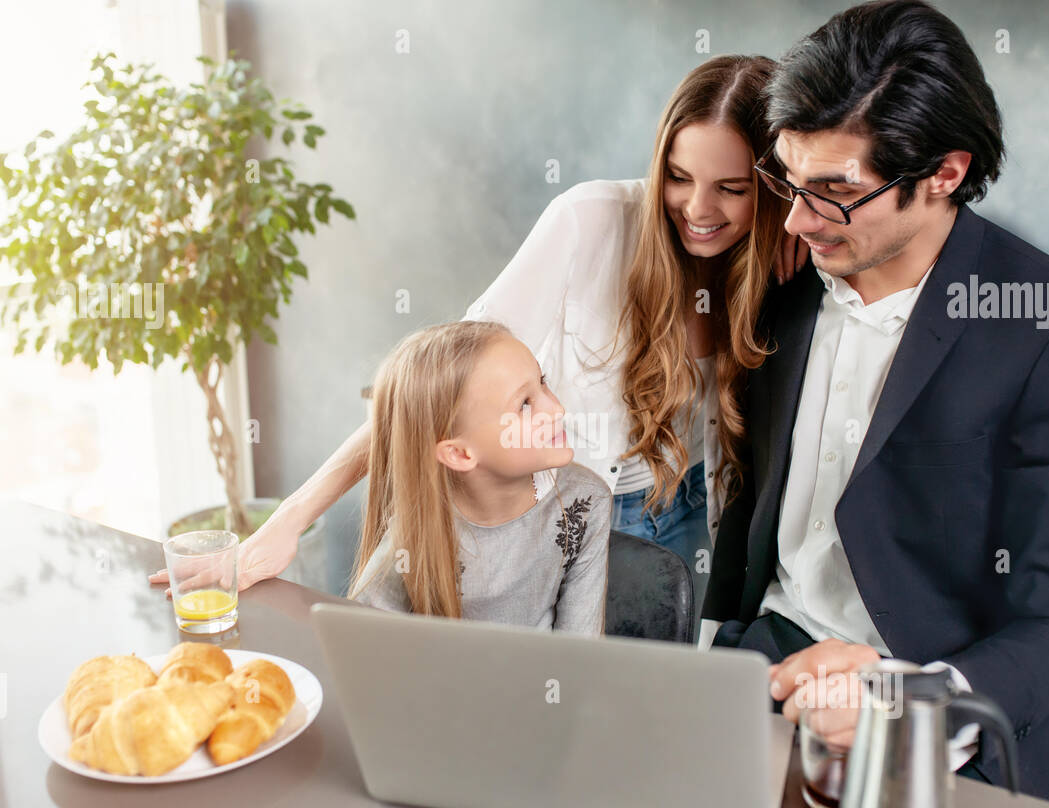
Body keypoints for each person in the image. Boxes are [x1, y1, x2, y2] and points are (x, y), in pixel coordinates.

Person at [150, 55, 806, 636]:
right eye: (679, 176)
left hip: (692, 504)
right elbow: (433, 386)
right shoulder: (590, 222)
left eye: (733, 188)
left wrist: (796, 225)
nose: (697, 207)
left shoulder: (782, 254)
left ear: (772, 186)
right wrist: (288, 519)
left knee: (643, 698)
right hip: (578, 513)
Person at [703, 0, 1049, 808]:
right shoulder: (786, 273)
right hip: (779, 664)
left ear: (943, 173)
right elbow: (755, 502)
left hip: (963, 714)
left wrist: (914, 704)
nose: (795, 219)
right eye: (787, 180)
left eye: (833, 191)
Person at [348, 320, 609, 634]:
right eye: (525, 405)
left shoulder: (586, 501)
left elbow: (579, 650)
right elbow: (361, 638)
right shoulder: (419, 522)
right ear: (459, 454)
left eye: (542, 382)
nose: (556, 409)